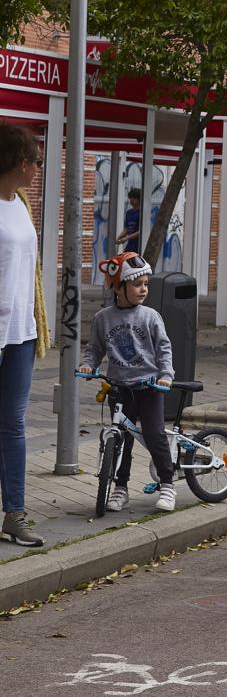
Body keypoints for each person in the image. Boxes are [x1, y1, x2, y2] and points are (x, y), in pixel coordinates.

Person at [78, 252, 178, 512]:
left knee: (155, 435)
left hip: (149, 387)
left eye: (146, 283)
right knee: (121, 439)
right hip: (119, 388)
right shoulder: (103, 318)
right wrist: (89, 364)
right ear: (118, 287)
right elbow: (95, 349)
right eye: (137, 284)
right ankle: (120, 488)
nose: (143, 289)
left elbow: (164, 348)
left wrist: (166, 374)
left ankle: (167, 484)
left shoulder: (150, 316)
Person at [0, 123, 45, 546]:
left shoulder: (23, 203)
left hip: (20, 332)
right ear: (17, 160)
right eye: (34, 159)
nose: (37, 167)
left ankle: (14, 514)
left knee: (13, 424)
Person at [116, 188, 143, 254]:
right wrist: (119, 237)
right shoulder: (129, 212)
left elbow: (141, 231)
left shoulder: (142, 213)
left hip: (139, 246)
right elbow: (126, 229)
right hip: (130, 246)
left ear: (139, 199)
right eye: (130, 198)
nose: (131, 200)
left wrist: (126, 238)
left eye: (134, 198)